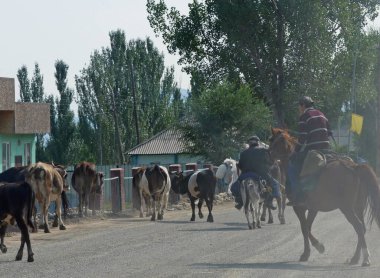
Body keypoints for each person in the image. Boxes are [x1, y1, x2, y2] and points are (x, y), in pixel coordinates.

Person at [286, 96, 332, 206]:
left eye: (299, 106)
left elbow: (303, 138)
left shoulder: (304, 116)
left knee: (292, 168)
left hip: (313, 150)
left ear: (303, 105)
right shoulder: (322, 114)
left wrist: (295, 152)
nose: (298, 108)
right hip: (327, 150)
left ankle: (298, 196)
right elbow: (329, 132)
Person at [232, 135, 281, 210]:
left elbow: (240, 165)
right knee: (275, 184)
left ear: (249, 143)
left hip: (245, 175)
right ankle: (269, 201)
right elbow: (268, 162)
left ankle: (240, 201)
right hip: (261, 174)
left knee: (235, 187)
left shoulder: (243, 153)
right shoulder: (263, 150)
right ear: (258, 142)